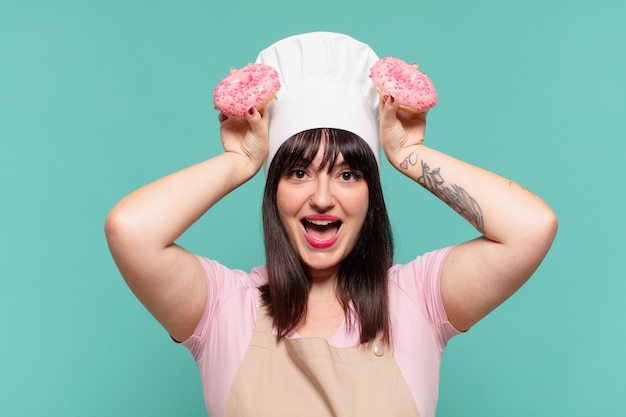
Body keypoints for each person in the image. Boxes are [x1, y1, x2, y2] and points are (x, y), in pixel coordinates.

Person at [105, 32, 557, 417]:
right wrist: (240, 161)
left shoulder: (416, 302)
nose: (322, 198)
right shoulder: (224, 309)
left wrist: (408, 156)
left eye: (348, 174)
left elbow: (531, 227)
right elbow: (130, 229)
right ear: (273, 191)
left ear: (371, 195)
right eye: (298, 172)